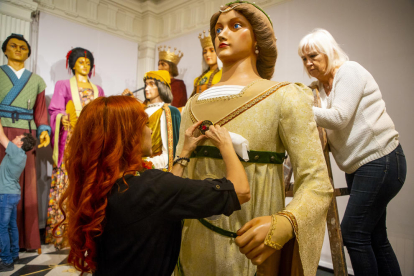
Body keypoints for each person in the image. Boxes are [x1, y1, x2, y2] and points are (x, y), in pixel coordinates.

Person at [176, 2, 333, 276]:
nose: (222, 34)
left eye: (236, 26)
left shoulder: (284, 96)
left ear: (258, 38)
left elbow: (316, 182)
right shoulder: (191, 106)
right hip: (189, 254)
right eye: (218, 29)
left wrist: (284, 224)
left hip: (250, 255)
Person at [56, 96, 250, 275]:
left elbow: (160, 201)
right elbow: (240, 191)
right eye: (146, 124)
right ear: (128, 134)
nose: (150, 131)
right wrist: (225, 144)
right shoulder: (152, 187)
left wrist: (184, 152)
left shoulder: (102, 184)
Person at [298, 28, 406, 276]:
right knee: (376, 238)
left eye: (313, 56)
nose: (308, 63)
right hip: (359, 168)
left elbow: (339, 117)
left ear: (328, 52)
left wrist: (297, 110)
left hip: (381, 160)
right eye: (304, 59)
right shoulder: (317, 90)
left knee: (353, 234)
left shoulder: (349, 71)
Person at [45, 47, 105, 249]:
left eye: (88, 63)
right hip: (71, 139)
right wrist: (62, 118)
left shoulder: (98, 90)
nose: (85, 65)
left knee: (90, 182)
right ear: (72, 64)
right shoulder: (63, 85)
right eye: (80, 62)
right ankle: (63, 234)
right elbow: (55, 109)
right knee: (68, 181)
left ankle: (87, 232)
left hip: (92, 139)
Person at [0, 33, 51, 250]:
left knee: (26, 184)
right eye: (13, 46)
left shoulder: (37, 80)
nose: (19, 50)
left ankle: (25, 240)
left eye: (23, 47)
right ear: (5, 50)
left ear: (28, 52)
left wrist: (44, 130)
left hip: (26, 136)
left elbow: (40, 111)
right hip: (1, 130)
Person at [0, 119, 36, 272]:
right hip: (13, 194)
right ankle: (14, 255)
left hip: (6, 195)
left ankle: (7, 261)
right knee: (11, 226)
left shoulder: (15, 151)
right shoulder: (22, 156)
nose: (15, 137)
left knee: (2, 228)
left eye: (18, 137)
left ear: (20, 144)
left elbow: (1, 136)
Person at [142, 70, 181, 170]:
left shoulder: (168, 111)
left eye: (152, 84)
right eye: (146, 84)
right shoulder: (140, 110)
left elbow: (169, 154)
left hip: (155, 168)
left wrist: (145, 163)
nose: (147, 88)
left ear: (161, 87)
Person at [190, 30, 222, 97]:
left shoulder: (225, 74)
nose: (207, 54)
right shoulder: (197, 79)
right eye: (205, 52)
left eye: (212, 50)